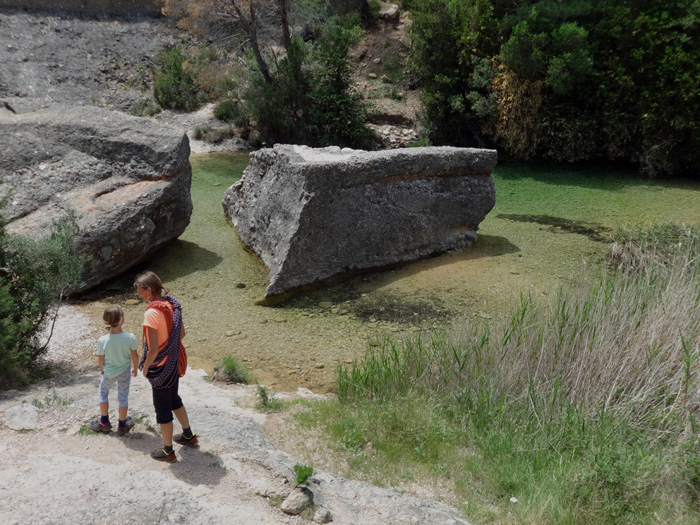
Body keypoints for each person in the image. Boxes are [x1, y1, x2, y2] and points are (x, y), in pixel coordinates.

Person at [134, 270, 197, 463]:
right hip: (173, 363)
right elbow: (181, 334)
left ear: (149, 290)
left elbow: (152, 349)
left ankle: (168, 450)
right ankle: (188, 435)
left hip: (160, 368)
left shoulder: (152, 313)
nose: (138, 295)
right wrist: (169, 350)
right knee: (173, 398)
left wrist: (144, 368)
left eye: (139, 290)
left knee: (162, 409)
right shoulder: (172, 305)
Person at [90, 305, 138, 436]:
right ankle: (122, 424)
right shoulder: (130, 337)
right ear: (122, 320)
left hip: (109, 372)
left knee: (103, 392)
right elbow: (134, 355)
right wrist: (135, 367)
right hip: (125, 372)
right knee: (123, 396)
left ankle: (104, 422)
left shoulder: (102, 340)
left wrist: (101, 370)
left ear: (106, 321)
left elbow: (101, 359)